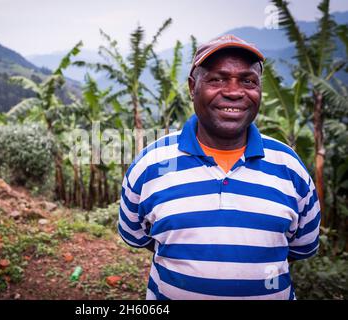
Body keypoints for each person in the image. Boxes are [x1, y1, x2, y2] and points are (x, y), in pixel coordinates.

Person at [118, 35, 321, 300]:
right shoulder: (150, 164)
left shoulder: (290, 167)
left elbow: (299, 248)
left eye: (248, 81)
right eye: (217, 79)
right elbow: (140, 238)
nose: (234, 92)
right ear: (193, 87)